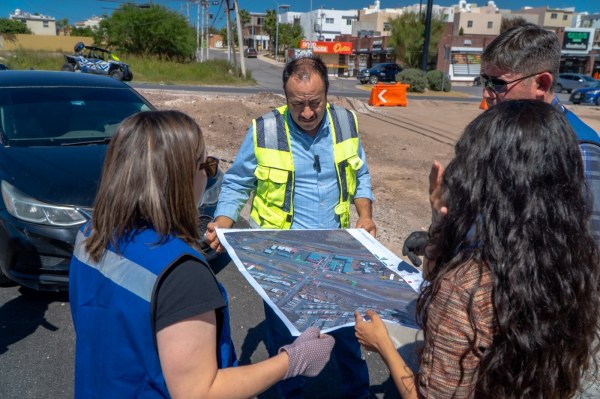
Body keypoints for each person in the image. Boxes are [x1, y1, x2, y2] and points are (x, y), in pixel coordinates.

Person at [69, 110, 335, 398]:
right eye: (206, 167)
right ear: (179, 178)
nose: (208, 178)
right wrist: (292, 360)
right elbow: (200, 392)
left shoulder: (91, 232)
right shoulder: (181, 273)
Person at [356, 99, 600, 398]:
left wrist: (381, 343)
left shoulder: (466, 287)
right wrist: (440, 221)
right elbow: (434, 271)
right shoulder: (574, 260)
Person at [205, 55, 375, 399]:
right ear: (285, 98)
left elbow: (361, 177)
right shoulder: (265, 131)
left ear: (328, 92)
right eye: (298, 104)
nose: (308, 112)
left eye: (315, 102)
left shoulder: (346, 123)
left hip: (336, 252)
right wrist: (222, 222)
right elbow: (238, 183)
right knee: (287, 342)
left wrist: (366, 215)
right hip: (281, 258)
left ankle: (358, 394)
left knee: (346, 335)